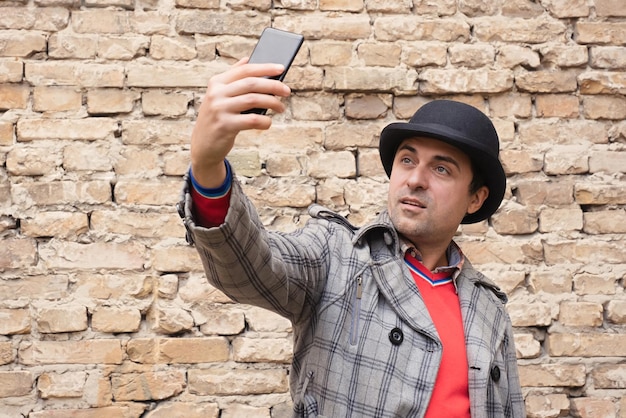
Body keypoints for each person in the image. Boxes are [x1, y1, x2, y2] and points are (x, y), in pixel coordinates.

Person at [178, 58, 525, 418]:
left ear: (475, 198)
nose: (415, 179)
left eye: (441, 168)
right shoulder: (338, 255)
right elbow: (249, 267)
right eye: (407, 160)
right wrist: (207, 167)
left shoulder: (490, 310)